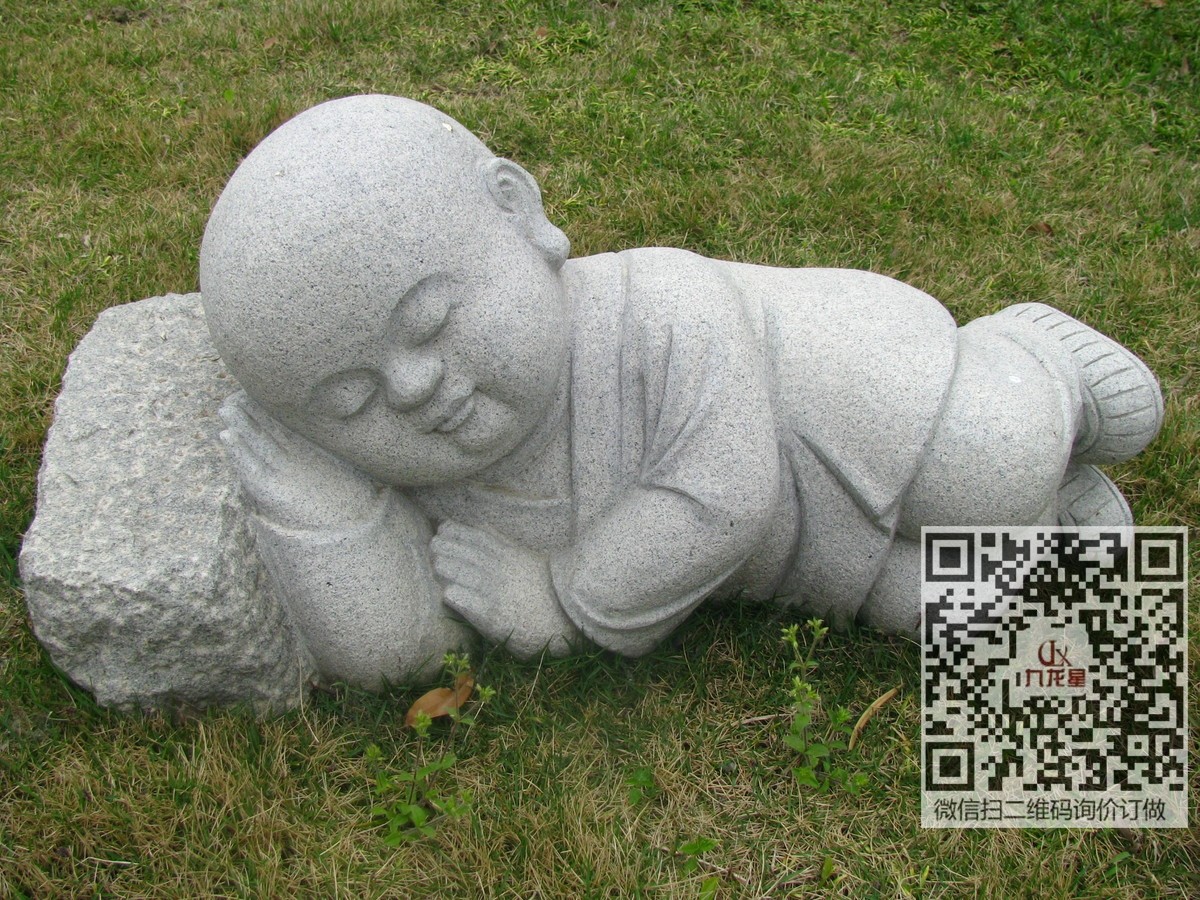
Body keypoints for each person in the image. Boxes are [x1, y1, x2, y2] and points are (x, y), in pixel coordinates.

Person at [199, 95, 1163, 688]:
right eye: (350, 402)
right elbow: (401, 654)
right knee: (984, 615)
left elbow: (725, 493)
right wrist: (317, 512)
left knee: (988, 466)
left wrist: (563, 599)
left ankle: (1036, 365)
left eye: (430, 320)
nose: (413, 388)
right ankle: (1059, 512)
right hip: (814, 563)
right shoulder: (441, 488)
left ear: (521, 216)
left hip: (851, 412)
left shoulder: (660, 306)